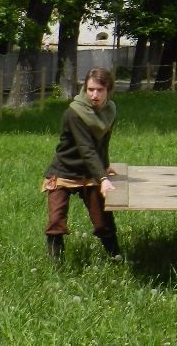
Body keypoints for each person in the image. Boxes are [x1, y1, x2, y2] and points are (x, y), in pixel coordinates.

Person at [43, 67, 120, 261]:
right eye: (90, 89)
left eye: (100, 90)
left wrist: (105, 165)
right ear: (84, 89)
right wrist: (102, 178)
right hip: (64, 170)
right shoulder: (75, 113)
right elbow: (86, 148)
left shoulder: (109, 110)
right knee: (56, 221)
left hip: (89, 172)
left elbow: (102, 143)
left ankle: (116, 258)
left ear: (108, 90)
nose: (94, 95)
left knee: (103, 221)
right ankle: (56, 267)